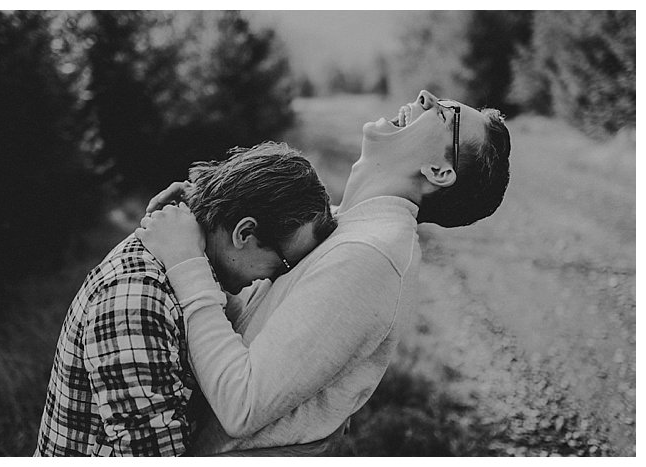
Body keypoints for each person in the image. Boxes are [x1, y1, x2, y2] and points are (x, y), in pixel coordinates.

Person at [137, 89, 511, 455]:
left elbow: (241, 404)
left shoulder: (371, 256)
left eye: (447, 115)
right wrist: (206, 221)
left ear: (439, 171)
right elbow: (251, 325)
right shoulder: (345, 226)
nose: (427, 96)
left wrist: (185, 261)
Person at [34, 142, 335, 456]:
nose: (275, 279)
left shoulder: (195, 258)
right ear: (244, 233)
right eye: (285, 265)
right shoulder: (137, 300)